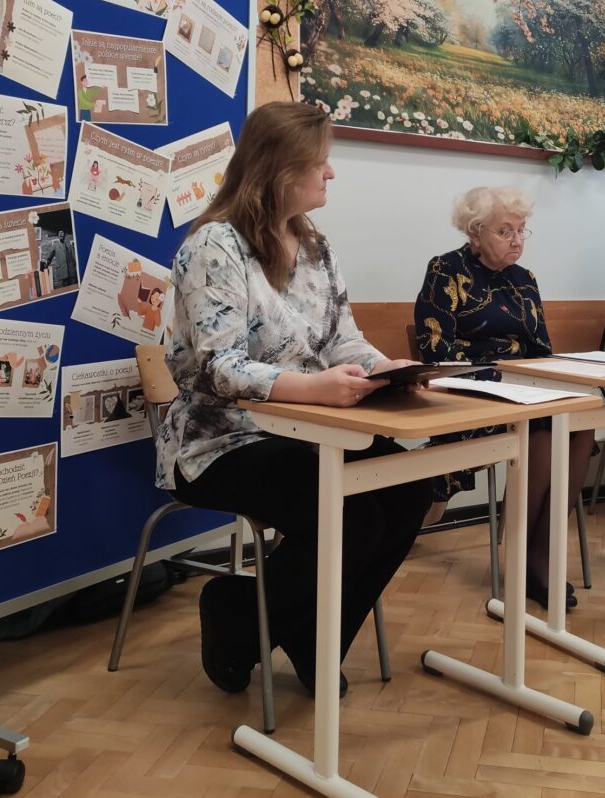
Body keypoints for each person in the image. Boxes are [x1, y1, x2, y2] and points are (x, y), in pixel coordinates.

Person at [156, 100, 431, 698]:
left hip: (308, 429)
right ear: (280, 170)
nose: (331, 172)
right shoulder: (214, 247)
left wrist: (388, 368)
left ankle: (310, 636)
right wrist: (315, 388)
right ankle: (236, 614)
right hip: (219, 441)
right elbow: (218, 367)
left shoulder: (316, 248)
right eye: (320, 162)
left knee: (410, 489)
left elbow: (343, 339)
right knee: (354, 515)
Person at [413, 186, 594, 611]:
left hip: (522, 389)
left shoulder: (524, 279)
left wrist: (548, 378)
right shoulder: (446, 270)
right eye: (505, 231)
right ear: (475, 233)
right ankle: (523, 561)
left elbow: (542, 351)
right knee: (542, 431)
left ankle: (542, 552)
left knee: (580, 424)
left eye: (521, 230)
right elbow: (435, 351)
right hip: (471, 391)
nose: (516, 240)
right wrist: (499, 373)